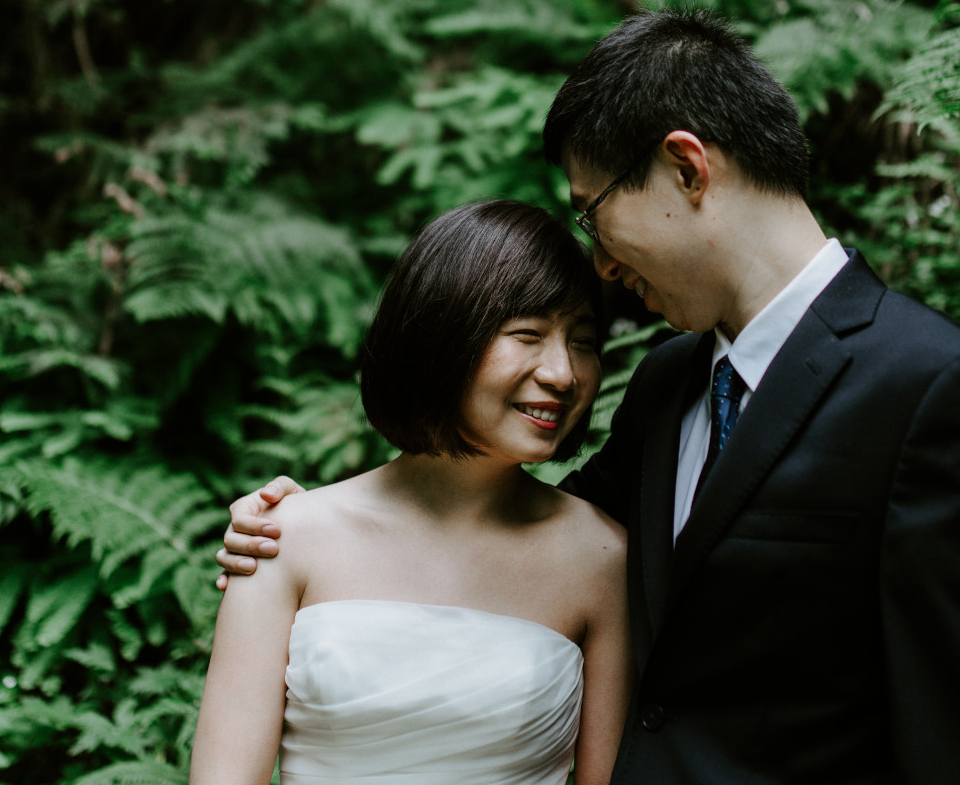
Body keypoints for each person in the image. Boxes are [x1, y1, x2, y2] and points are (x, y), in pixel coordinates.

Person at [218, 9, 960, 784]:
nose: (598, 260)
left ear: (686, 168)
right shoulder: (673, 382)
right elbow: (505, 535)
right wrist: (304, 528)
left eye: (591, 209)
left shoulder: (933, 389)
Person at [190, 199, 632, 785]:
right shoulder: (284, 537)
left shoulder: (602, 558)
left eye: (582, 341)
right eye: (527, 334)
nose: (563, 373)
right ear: (441, 337)